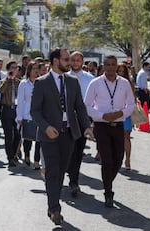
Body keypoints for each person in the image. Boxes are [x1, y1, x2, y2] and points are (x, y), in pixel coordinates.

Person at [30, 48, 93, 225]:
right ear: (56, 61)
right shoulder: (41, 83)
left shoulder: (73, 82)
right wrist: (46, 127)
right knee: (52, 171)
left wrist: (87, 127)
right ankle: (55, 208)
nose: (70, 63)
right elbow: (34, 110)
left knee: (61, 172)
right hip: (49, 135)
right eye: (66, 59)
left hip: (68, 134)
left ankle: (52, 204)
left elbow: (79, 107)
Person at [84, 55, 135, 208]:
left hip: (118, 125)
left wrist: (121, 113)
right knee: (107, 160)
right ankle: (108, 192)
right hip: (102, 126)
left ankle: (107, 181)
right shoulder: (95, 83)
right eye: (108, 64)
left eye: (113, 64)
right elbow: (86, 105)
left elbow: (131, 104)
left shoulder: (124, 83)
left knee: (118, 159)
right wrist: (101, 116)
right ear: (103, 66)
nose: (111, 67)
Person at [65, 51, 94, 197]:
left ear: (82, 62)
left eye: (78, 60)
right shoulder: (64, 77)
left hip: (83, 119)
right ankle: (68, 172)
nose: (76, 63)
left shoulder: (90, 79)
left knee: (78, 150)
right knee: (67, 150)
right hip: (66, 119)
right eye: (73, 60)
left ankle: (74, 181)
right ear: (69, 61)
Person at [16, 61, 41, 169]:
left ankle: (36, 160)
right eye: (33, 68)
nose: (35, 71)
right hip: (27, 114)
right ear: (29, 70)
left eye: (37, 69)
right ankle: (26, 155)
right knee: (28, 138)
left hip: (40, 115)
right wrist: (19, 116)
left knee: (39, 139)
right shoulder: (24, 84)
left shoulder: (42, 83)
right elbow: (20, 101)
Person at [0, 60, 21, 167]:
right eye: (12, 67)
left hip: (17, 110)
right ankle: (10, 157)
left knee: (17, 135)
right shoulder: (3, 81)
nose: (14, 69)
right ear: (8, 69)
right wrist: (8, 79)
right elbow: (1, 90)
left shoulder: (19, 82)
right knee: (8, 135)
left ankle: (14, 153)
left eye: (16, 68)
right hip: (6, 109)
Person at [117, 63, 136, 170]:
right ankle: (118, 159)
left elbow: (132, 99)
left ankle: (127, 159)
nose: (120, 73)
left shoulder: (129, 83)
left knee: (126, 137)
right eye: (118, 71)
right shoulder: (112, 82)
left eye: (122, 71)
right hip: (114, 112)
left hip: (126, 113)